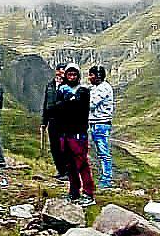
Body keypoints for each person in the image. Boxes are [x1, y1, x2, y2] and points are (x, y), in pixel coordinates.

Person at [51, 63, 96, 204]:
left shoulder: (83, 91)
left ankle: (88, 193)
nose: (71, 77)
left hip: (78, 132)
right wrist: (67, 103)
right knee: (70, 164)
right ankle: (74, 192)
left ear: (78, 76)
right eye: (69, 74)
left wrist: (67, 103)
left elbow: (80, 109)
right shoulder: (61, 90)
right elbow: (56, 108)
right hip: (64, 133)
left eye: (74, 75)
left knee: (82, 163)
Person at [87, 66, 114, 189]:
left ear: (98, 76)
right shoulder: (95, 88)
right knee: (98, 151)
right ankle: (102, 177)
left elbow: (91, 104)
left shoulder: (104, 88)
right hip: (94, 122)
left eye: (91, 75)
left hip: (101, 124)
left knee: (103, 152)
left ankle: (106, 179)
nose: (89, 78)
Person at [42, 64, 69, 180]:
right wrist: (44, 121)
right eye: (60, 70)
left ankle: (67, 172)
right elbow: (45, 103)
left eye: (64, 70)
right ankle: (60, 170)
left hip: (64, 121)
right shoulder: (50, 85)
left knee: (64, 146)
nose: (62, 72)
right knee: (54, 147)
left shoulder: (68, 86)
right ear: (56, 71)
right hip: (52, 120)